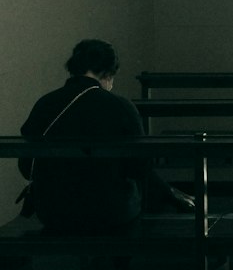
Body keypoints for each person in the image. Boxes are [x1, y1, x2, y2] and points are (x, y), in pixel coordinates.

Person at [18, 39, 186, 234]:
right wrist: (169, 193)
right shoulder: (119, 106)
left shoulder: (45, 104)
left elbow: (25, 166)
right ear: (107, 73)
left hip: (53, 211)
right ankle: (122, 263)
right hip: (109, 212)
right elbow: (140, 168)